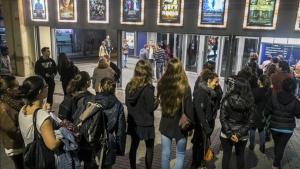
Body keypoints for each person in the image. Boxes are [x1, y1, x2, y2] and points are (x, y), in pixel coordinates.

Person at [158, 58, 193, 169]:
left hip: (166, 123)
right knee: (180, 154)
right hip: (180, 125)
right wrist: (191, 125)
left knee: (165, 153)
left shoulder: (162, 84)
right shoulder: (185, 87)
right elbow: (189, 109)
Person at [18, 76, 61, 167]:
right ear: (39, 92)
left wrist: (43, 110)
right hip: (42, 159)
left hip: (29, 154)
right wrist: (63, 134)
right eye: (45, 86)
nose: (48, 87)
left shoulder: (23, 109)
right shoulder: (42, 116)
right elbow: (52, 145)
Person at [126, 59, 159, 169]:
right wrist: (157, 102)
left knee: (133, 147)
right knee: (149, 148)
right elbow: (150, 108)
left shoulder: (129, 86)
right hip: (146, 123)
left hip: (134, 122)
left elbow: (127, 103)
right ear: (148, 72)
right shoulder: (148, 88)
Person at [219, 75, 255, 169]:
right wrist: (238, 134)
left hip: (226, 133)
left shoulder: (227, 98)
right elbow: (250, 121)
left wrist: (230, 133)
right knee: (240, 156)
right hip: (242, 134)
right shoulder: (250, 102)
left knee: (226, 156)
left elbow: (223, 118)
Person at [264, 78, 300, 169]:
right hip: (288, 128)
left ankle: (277, 162)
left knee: (277, 144)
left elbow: (266, 111)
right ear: (294, 88)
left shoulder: (274, 97)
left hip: (274, 126)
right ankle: (276, 164)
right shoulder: (295, 101)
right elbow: (298, 115)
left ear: (283, 86)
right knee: (281, 146)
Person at [191, 70, 219, 169]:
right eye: (215, 82)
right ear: (209, 80)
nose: (217, 84)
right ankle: (196, 164)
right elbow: (200, 112)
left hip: (207, 125)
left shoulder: (211, 92)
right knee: (199, 145)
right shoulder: (201, 92)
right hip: (201, 125)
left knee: (203, 145)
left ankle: (201, 163)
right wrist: (206, 127)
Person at [96, 78, 126, 169]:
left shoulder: (91, 100)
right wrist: (119, 148)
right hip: (108, 143)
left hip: (91, 139)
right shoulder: (118, 105)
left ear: (100, 87)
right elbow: (120, 130)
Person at [0, 75, 24, 169]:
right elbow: (13, 131)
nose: (20, 88)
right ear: (9, 90)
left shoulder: (14, 101)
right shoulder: (2, 108)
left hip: (20, 144)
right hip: (15, 147)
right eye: (17, 86)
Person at [249, 75, 272, 153]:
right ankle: (262, 146)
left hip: (255, 112)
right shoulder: (269, 91)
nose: (257, 80)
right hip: (264, 113)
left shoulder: (255, 91)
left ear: (260, 81)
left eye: (258, 79)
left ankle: (251, 144)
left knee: (252, 128)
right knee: (261, 129)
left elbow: (251, 102)